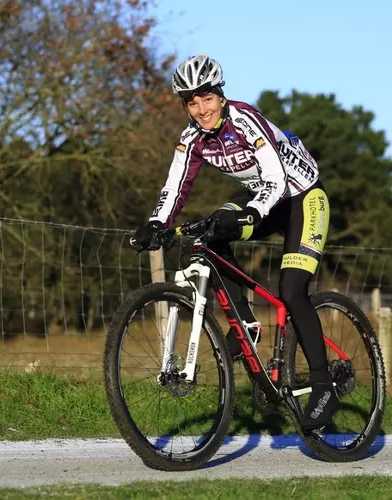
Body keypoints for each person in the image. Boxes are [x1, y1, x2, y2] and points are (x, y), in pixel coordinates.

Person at [130, 53, 338, 430]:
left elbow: (275, 175)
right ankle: (245, 321)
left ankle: (324, 386)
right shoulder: (192, 138)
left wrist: (253, 212)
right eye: (192, 103)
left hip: (302, 198)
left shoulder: (244, 119)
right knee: (209, 230)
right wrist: (156, 222)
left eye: (207, 99)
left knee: (292, 290)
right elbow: (176, 183)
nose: (201, 109)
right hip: (265, 198)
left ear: (221, 96)